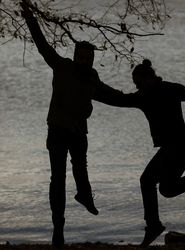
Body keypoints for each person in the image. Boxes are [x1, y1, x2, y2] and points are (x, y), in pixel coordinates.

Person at [20, 0, 128, 248]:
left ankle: (85, 195)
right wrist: (30, 19)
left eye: (88, 58)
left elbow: (111, 96)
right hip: (57, 130)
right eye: (81, 56)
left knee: (81, 167)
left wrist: (138, 100)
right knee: (57, 180)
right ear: (75, 56)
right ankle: (58, 228)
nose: (85, 60)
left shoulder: (92, 77)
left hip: (79, 132)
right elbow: (42, 45)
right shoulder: (62, 66)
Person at [105, 59, 185, 247]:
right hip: (173, 148)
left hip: (181, 146)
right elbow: (117, 99)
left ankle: (153, 226)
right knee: (167, 190)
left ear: (150, 78)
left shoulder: (171, 89)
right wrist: (90, 91)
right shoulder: (142, 97)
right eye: (135, 85)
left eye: (139, 83)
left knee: (146, 180)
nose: (137, 87)